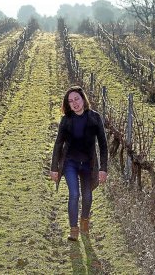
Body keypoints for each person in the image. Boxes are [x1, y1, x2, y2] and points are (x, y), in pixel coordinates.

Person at [50, 85, 108, 241]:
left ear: (83, 99)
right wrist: (54, 168)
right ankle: (73, 229)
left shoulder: (95, 118)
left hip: (89, 164)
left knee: (87, 196)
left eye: (77, 99)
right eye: (70, 101)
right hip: (70, 163)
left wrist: (103, 169)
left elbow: (103, 144)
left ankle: (84, 222)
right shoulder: (66, 120)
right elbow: (58, 144)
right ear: (68, 104)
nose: (74, 103)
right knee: (74, 194)